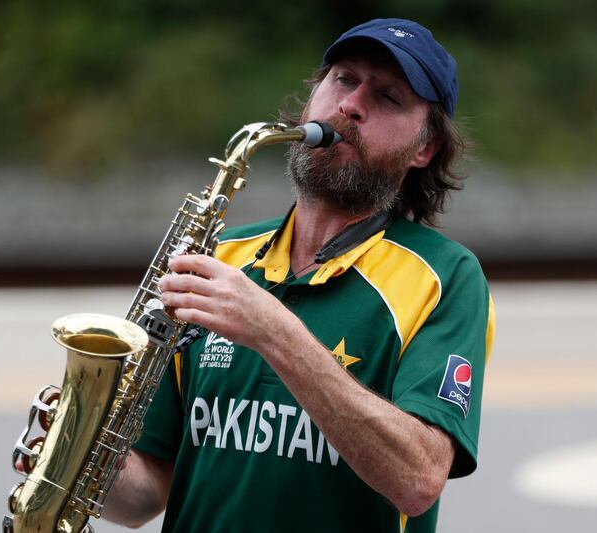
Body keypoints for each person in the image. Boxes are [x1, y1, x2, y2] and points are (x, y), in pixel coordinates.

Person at [104, 18, 495, 533]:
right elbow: (142, 498)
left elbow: (418, 479)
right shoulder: (218, 256)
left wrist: (273, 330)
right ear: (314, 97)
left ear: (425, 148)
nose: (352, 105)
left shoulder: (446, 277)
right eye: (343, 79)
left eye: (389, 97)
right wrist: (78, 454)